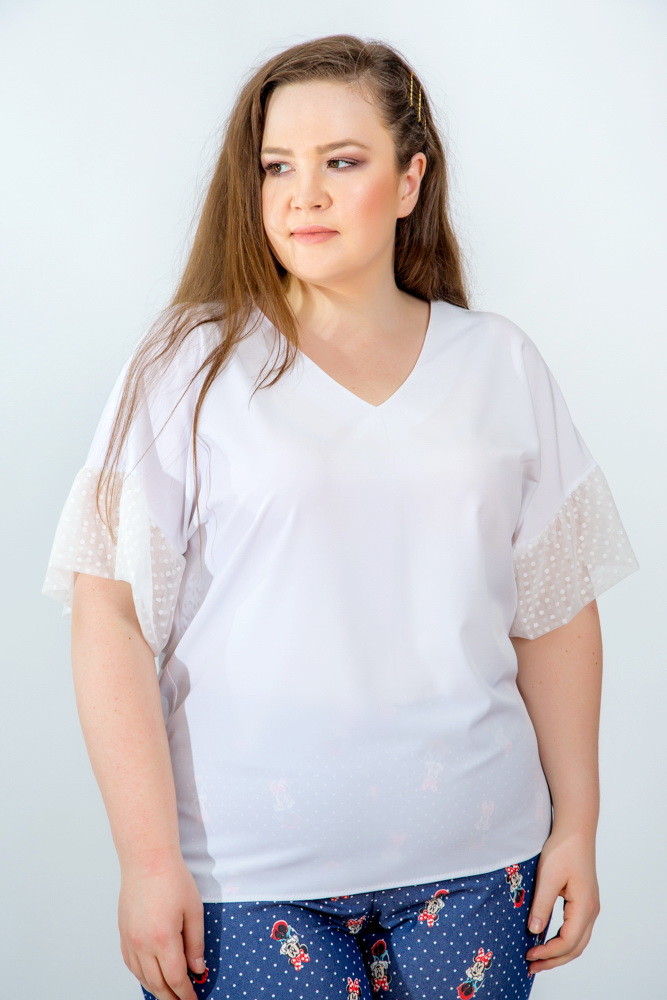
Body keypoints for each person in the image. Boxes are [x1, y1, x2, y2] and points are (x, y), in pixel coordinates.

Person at [42, 33, 640, 1000]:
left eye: (342, 162)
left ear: (409, 181)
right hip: (244, 876)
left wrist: (578, 824)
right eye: (277, 165)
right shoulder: (188, 365)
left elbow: (556, 610)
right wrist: (147, 861)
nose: (302, 195)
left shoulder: (498, 362)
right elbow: (109, 615)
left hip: (478, 861)